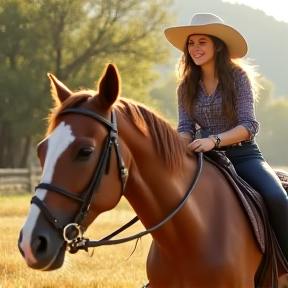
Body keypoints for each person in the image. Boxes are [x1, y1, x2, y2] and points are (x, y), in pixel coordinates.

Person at [164, 12, 288, 262]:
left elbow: (249, 125)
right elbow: (185, 127)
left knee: (278, 199)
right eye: (191, 43)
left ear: (217, 45)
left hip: (243, 155)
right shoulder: (185, 85)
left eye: (202, 42)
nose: (195, 48)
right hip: (204, 159)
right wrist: (178, 147)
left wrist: (214, 140)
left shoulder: (238, 78)